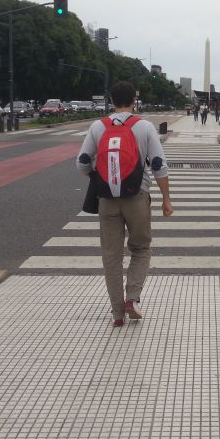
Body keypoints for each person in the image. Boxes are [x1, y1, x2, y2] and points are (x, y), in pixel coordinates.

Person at [76, 81, 173, 327]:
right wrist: (166, 199)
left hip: (107, 199)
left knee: (111, 257)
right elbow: (159, 165)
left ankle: (117, 313)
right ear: (134, 100)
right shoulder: (144, 127)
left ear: (111, 100)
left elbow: (82, 163)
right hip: (137, 198)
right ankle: (132, 298)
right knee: (141, 248)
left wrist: (100, 178)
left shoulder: (98, 126)